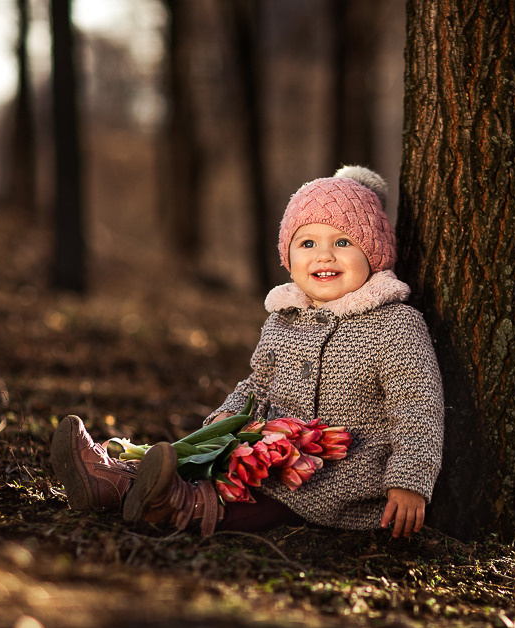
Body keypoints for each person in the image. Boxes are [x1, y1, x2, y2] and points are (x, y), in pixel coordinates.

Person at [51, 166, 444, 539]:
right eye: (307, 243)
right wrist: (229, 413)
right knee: (213, 462)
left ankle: (174, 506)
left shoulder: (394, 324)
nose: (324, 255)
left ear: (374, 252)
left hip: (341, 477)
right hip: (268, 452)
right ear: (289, 258)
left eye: (343, 242)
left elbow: (418, 407)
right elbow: (258, 384)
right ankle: (115, 481)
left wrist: (409, 481)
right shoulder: (284, 318)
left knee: (253, 494)